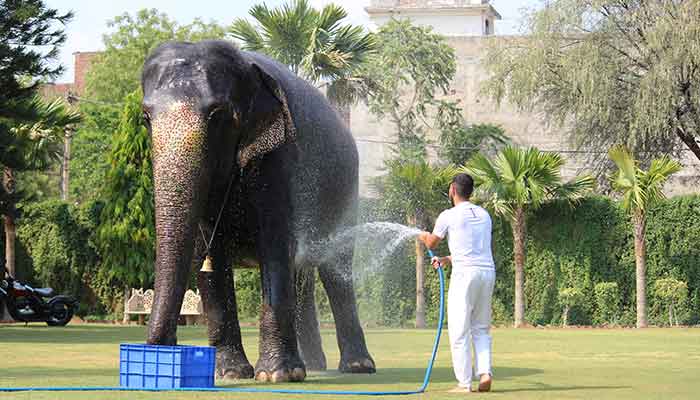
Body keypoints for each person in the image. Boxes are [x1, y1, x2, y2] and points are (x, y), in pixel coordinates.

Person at [418, 173, 496, 393]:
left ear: (453, 189)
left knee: (459, 330)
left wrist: (422, 235)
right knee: (480, 328)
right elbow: (472, 249)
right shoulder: (484, 215)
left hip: (465, 276)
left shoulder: (448, 215)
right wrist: (445, 260)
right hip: (486, 273)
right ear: (471, 191)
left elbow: (432, 241)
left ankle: (464, 383)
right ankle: (485, 373)